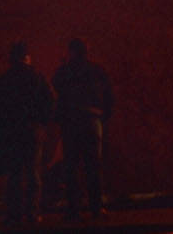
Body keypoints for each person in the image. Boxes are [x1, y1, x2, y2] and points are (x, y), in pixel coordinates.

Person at [52, 38, 113, 220]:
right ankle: (96, 208)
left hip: (71, 122)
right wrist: (103, 116)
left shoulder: (64, 72)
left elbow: (55, 93)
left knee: (71, 166)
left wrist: (59, 118)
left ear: (70, 52)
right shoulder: (97, 71)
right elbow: (109, 94)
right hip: (92, 120)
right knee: (93, 166)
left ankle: (73, 209)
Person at [0, 42, 53, 225]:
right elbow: (49, 101)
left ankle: (13, 214)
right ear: (27, 57)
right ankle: (32, 212)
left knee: (14, 173)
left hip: (12, 130)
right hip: (33, 129)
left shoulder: (5, 79)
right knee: (33, 172)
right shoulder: (37, 77)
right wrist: (41, 122)